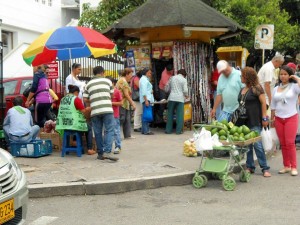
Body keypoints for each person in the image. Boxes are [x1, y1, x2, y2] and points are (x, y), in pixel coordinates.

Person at [239, 67, 271, 177]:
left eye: (242, 75)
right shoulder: (242, 89)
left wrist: (265, 118)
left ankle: (265, 168)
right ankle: (250, 166)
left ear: (247, 77)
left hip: (255, 120)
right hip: (244, 122)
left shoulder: (257, 88)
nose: (240, 77)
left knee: (257, 145)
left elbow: (263, 103)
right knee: (247, 146)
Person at [83, 66, 118, 161]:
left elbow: (85, 98)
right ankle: (107, 151)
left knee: (98, 132)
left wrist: (93, 100)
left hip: (95, 111)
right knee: (109, 130)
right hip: (107, 109)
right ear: (102, 73)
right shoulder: (108, 81)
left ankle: (100, 154)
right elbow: (111, 95)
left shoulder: (88, 84)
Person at [270, 65, 300, 176]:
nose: (283, 76)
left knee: (290, 142)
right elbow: (273, 104)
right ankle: (286, 165)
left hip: (291, 117)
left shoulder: (294, 86)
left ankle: (294, 167)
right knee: (283, 143)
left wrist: (296, 77)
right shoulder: (275, 89)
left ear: (289, 75)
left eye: (285, 74)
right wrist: (272, 118)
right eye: (281, 74)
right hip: (278, 118)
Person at [164, 69, 189, 134]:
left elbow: (167, 88)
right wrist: (186, 96)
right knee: (179, 115)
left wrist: (168, 92)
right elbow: (185, 91)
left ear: (178, 73)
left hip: (172, 98)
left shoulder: (172, 78)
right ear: (184, 75)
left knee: (170, 114)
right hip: (180, 99)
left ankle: (168, 130)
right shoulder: (184, 80)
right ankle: (178, 131)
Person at [104, 77, 123, 154]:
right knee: (106, 131)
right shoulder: (105, 92)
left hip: (115, 114)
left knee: (116, 131)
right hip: (106, 114)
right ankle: (106, 146)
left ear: (113, 83)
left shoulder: (117, 92)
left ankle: (117, 146)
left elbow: (121, 103)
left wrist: (111, 103)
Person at [116, 68, 136, 139]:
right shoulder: (123, 81)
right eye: (130, 74)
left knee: (127, 119)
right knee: (122, 119)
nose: (131, 76)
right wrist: (132, 103)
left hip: (125, 103)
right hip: (122, 103)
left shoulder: (124, 81)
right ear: (127, 74)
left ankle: (127, 135)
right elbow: (126, 94)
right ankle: (115, 133)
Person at [139, 68, 155, 135]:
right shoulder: (144, 80)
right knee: (147, 115)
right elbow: (144, 91)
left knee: (145, 114)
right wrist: (146, 100)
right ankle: (146, 130)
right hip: (146, 99)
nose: (150, 74)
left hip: (147, 98)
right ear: (146, 73)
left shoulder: (145, 79)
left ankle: (144, 130)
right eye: (149, 73)